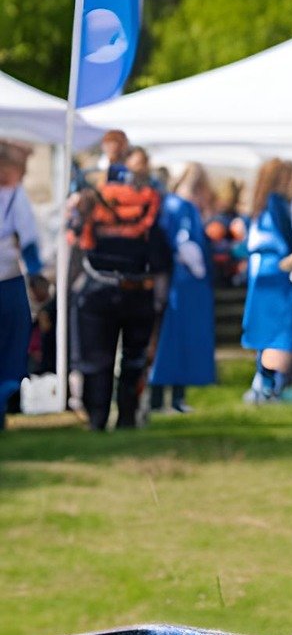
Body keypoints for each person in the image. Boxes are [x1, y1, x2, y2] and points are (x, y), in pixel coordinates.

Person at [72, 142, 171, 430]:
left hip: (97, 287)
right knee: (134, 358)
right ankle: (126, 417)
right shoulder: (152, 202)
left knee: (97, 359)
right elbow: (160, 252)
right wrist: (160, 298)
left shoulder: (90, 199)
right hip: (138, 288)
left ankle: (96, 418)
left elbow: (76, 240)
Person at [148, 164, 217, 413]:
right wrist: (198, 267)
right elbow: (186, 244)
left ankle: (169, 398)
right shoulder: (182, 207)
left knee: (172, 341)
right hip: (184, 284)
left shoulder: (171, 205)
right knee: (172, 341)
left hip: (178, 282)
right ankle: (166, 398)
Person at [241, 158, 292, 404]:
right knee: (279, 329)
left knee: (265, 328)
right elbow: (291, 240)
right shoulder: (277, 203)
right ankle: (269, 384)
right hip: (277, 270)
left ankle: (263, 382)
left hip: (259, 270)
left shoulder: (260, 204)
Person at [0, 141, 46, 427]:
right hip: (8, 282)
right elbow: (27, 240)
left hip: (9, 279)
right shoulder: (15, 196)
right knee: (10, 346)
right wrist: (37, 275)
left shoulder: (16, 195)